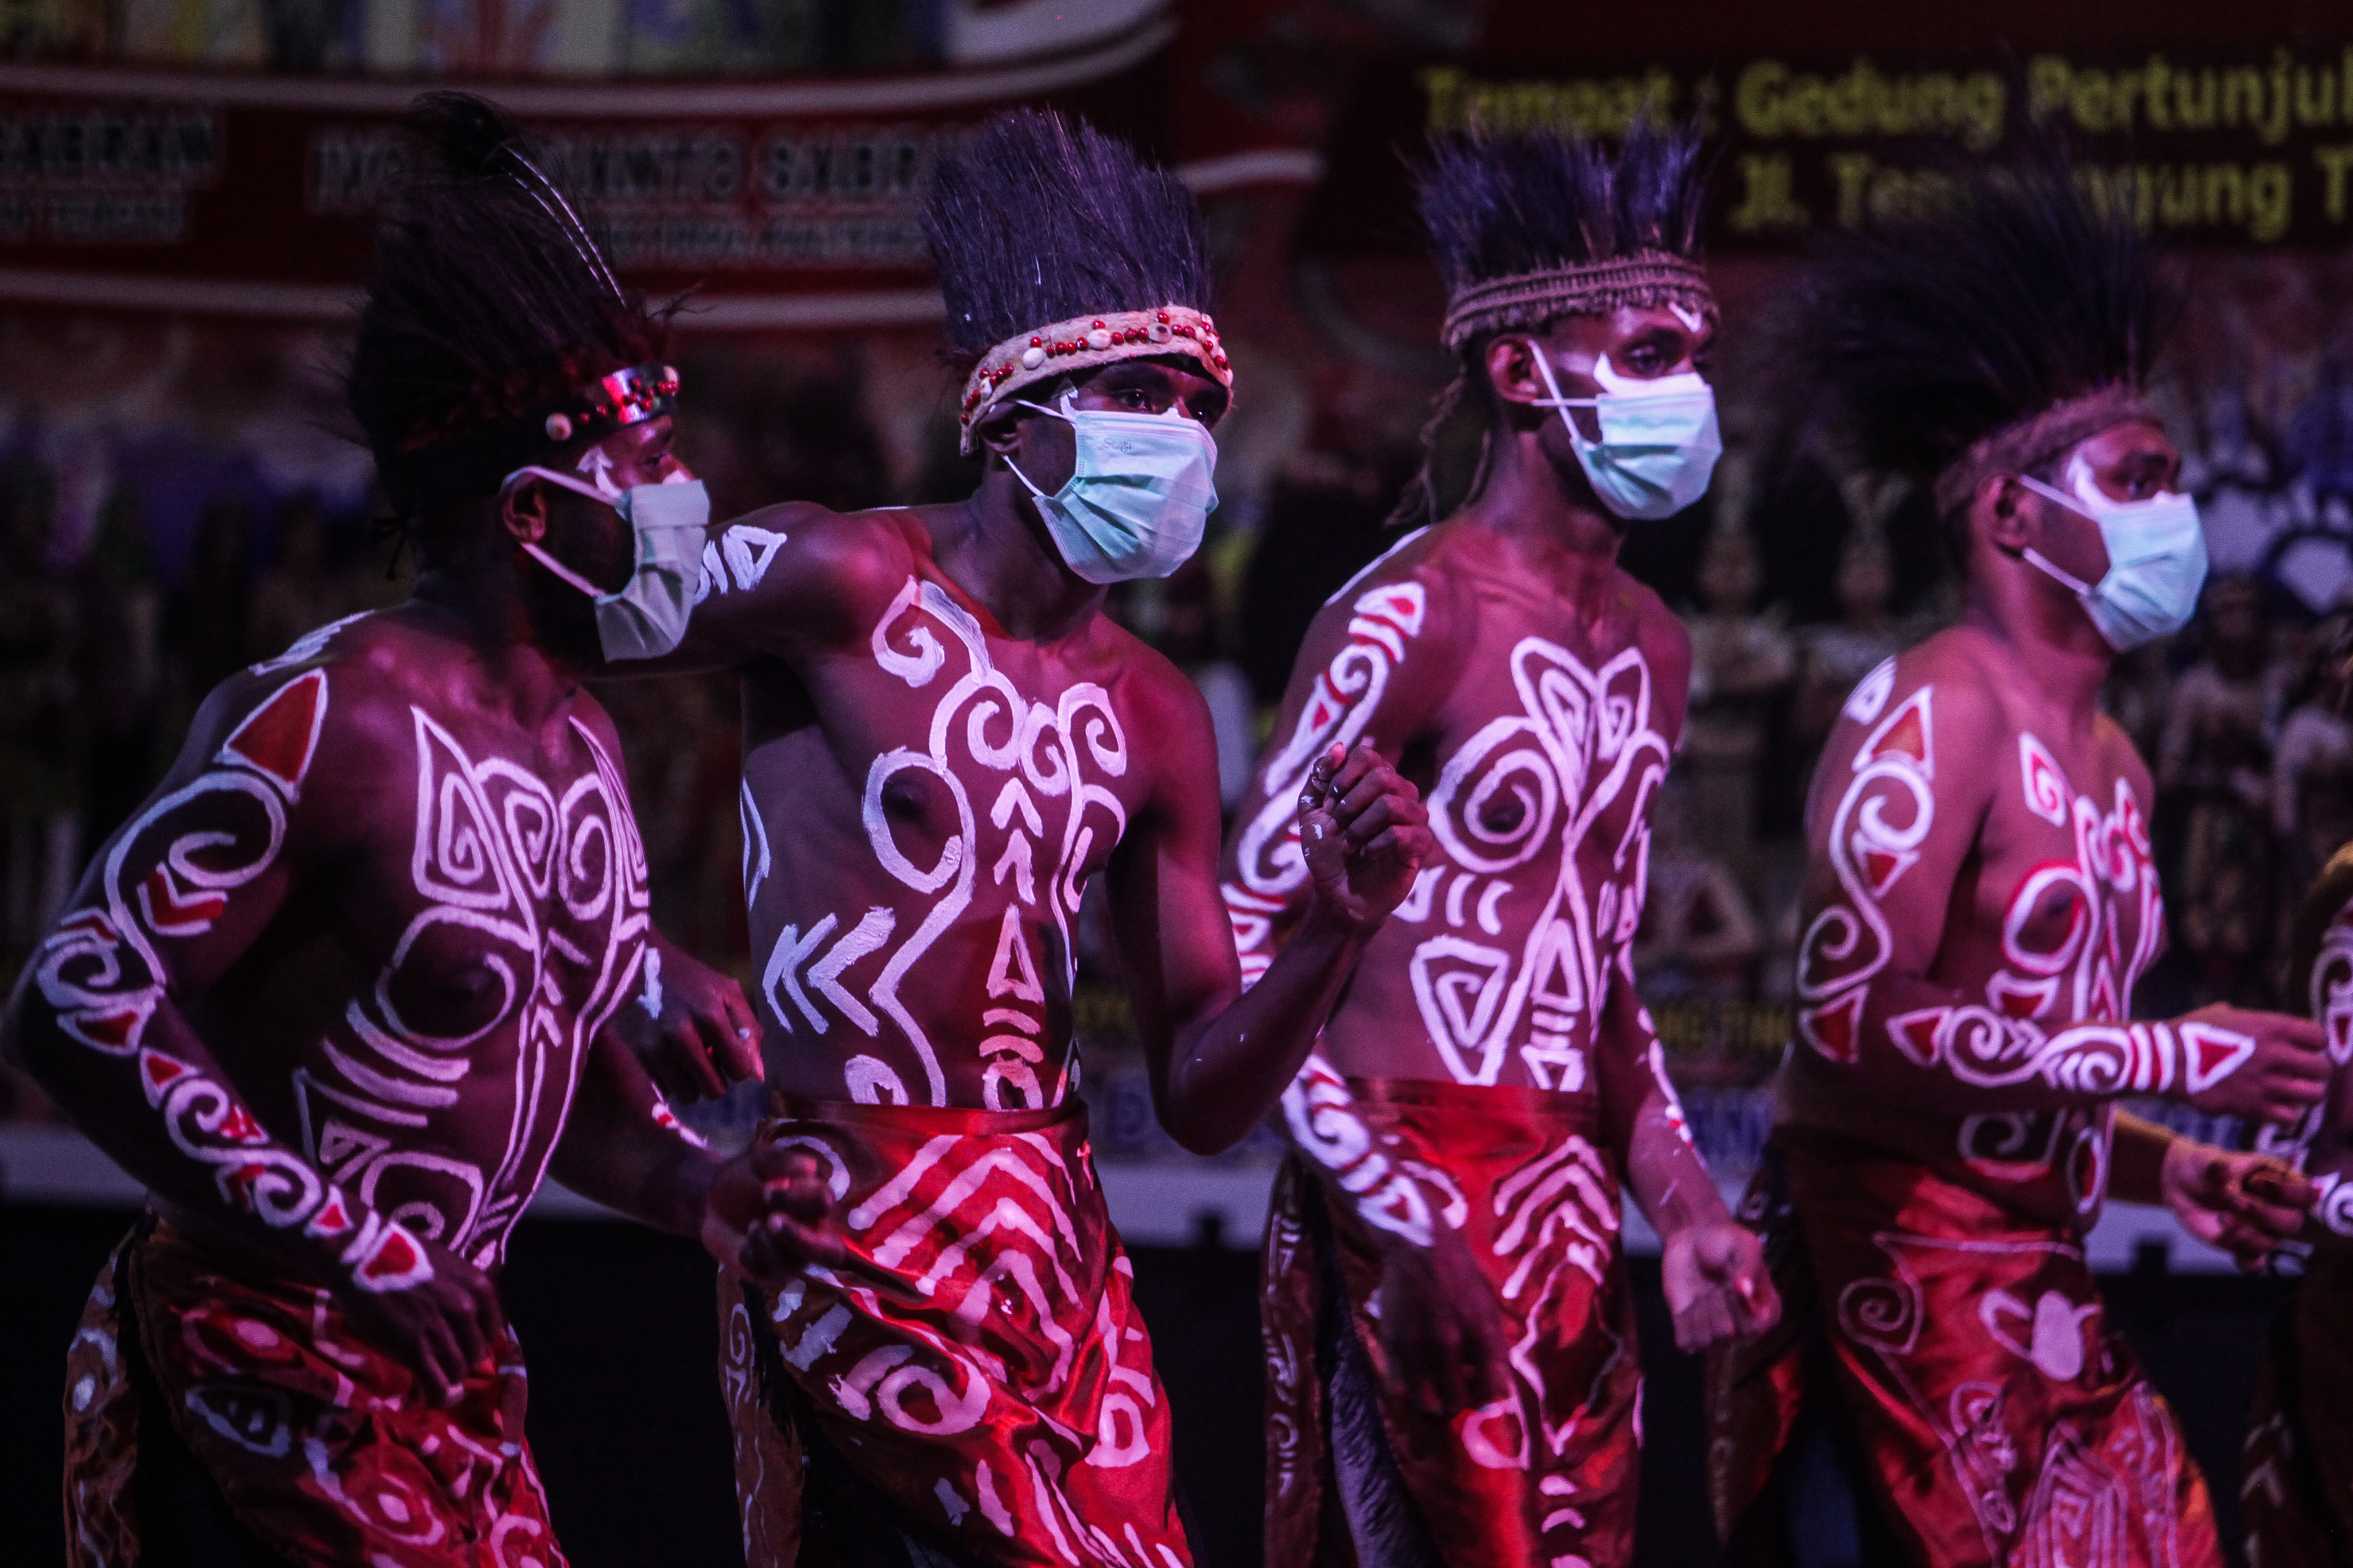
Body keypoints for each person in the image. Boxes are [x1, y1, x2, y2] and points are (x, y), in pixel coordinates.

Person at [12, 93, 826, 1568]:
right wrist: (344, 1239)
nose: (682, 500)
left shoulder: (579, 741)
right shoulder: (338, 718)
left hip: (442, 1375)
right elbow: (73, 994)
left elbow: (538, 1084)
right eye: (644, 467)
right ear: (530, 511)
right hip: (249, 1358)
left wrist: (708, 1189)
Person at [638, 109, 1432, 1567]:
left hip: (1062, 1252)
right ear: (1013, 415)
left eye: (1197, 401)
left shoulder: (1156, 714)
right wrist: (625, 949)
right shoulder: (841, 575)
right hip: (846, 1215)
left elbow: (1200, 1096)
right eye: (1138, 394)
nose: (1180, 437)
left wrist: (1335, 925)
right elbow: (527, 648)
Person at [1705, 151, 2328, 1568]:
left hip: (2045, 1296)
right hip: (1892, 1304)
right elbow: (1850, 1021)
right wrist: (2163, 1061)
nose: (2174, 514)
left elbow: (2026, 1060)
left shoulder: (2116, 759)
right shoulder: (1937, 709)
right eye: (2136, 477)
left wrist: (2161, 1159)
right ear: (2008, 513)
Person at [1220, 121, 1777, 1568]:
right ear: (1523, 375)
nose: (1691, 393)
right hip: (1398, 1181)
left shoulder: (1653, 642)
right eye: (1652, 357)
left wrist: (1686, 1204)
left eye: (1694, 357)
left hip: (1569, 1217)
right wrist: (1402, 1217)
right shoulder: (1413, 614)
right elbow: (1241, 938)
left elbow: (1595, 976)